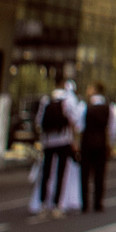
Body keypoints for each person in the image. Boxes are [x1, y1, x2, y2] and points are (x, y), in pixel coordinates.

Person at [32, 85, 81, 218]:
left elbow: (38, 121)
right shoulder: (68, 102)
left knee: (46, 173)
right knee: (61, 174)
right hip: (64, 141)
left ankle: (42, 204)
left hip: (48, 141)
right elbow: (75, 121)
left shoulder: (46, 101)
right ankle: (57, 205)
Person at [78, 81, 114, 213]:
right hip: (101, 143)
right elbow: (111, 128)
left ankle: (84, 204)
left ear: (94, 90)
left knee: (85, 175)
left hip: (87, 143)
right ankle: (98, 203)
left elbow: (79, 126)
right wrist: (110, 144)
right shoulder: (108, 108)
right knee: (99, 174)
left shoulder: (85, 107)